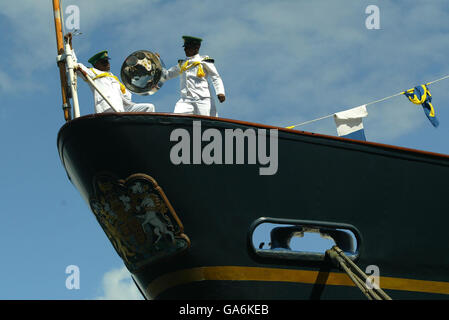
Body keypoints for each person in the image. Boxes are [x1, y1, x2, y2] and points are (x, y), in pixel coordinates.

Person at [64, 33, 155, 114]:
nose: (107, 64)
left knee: (149, 107)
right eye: (104, 62)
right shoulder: (92, 72)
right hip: (107, 107)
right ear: (96, 64)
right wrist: (69, 46)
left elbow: (127, 97)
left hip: (122, 108)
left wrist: (150, 62)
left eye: (107, 61)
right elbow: (72, 64)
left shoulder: (113, 78)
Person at [161, 35, 225, 117]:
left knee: (206, 122)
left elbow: (215, 77)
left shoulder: (203, 61)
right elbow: (167, 75)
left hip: (202, 99)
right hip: (186, 99)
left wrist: (220, 92)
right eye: (185, 47)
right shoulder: (182, 64)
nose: (185, 49)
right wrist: (157, 63)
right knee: (177, 117)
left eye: (188, 47)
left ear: (196, 48)